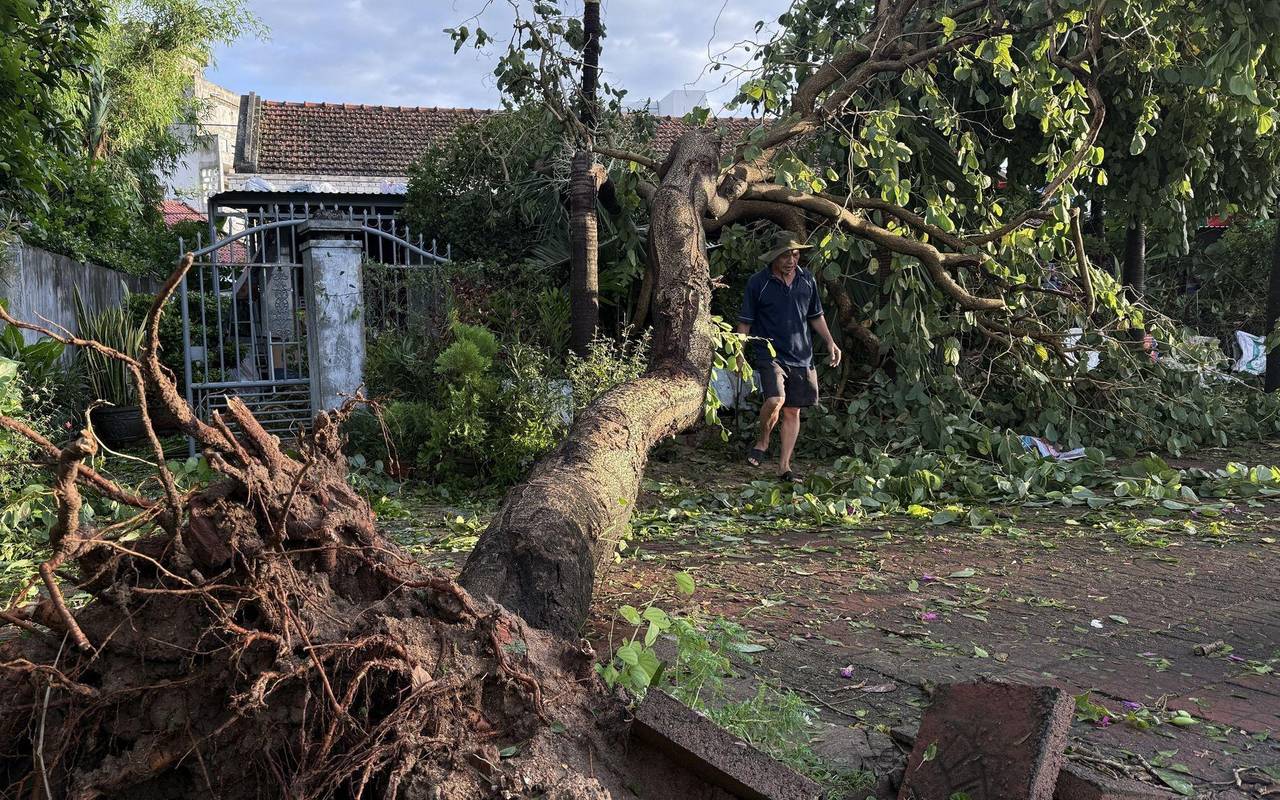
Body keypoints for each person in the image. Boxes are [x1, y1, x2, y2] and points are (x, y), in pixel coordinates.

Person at [736, 230, 841, 482]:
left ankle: (784, 466)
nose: (791, 260)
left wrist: (830, 342)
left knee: (793, 411)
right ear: (774, 257)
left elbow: (815, 315)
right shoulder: (758, 283)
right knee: (775, 399)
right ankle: (763, 440)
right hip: (769, 353)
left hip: (801, 355)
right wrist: (739, 354)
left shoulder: (807, 280)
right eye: (785, 256)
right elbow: (745, 322)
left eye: (795, 255)